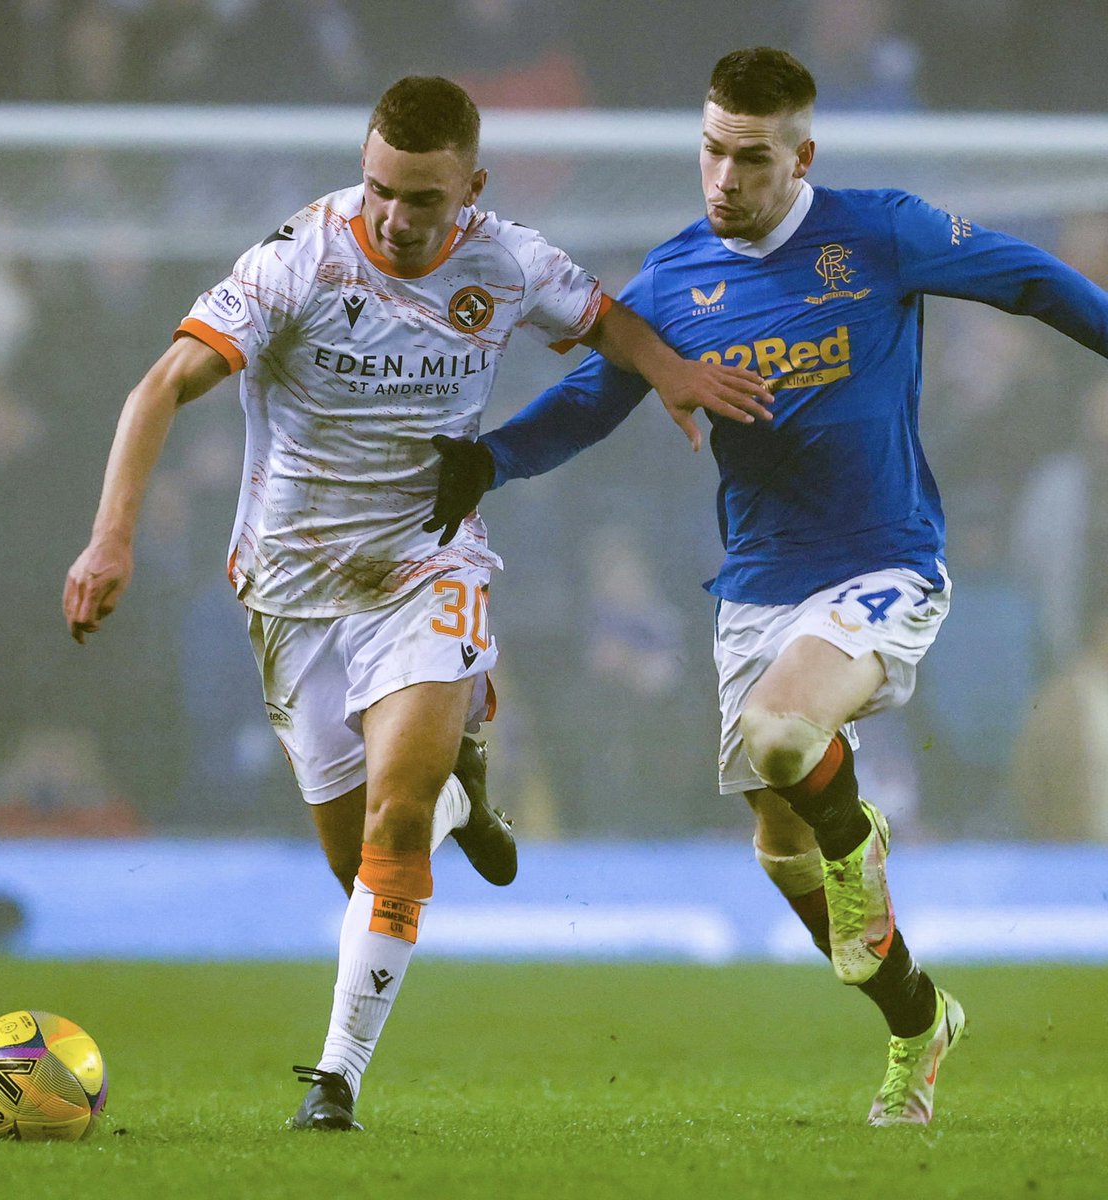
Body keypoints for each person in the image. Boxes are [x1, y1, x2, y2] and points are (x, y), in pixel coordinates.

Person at [63, 75, 769, 1132]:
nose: (395, 215)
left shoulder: (505, 260)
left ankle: (336, 1080)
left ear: (470, 190)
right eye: (381, 188)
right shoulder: (298, 261)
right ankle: (455, 796)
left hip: (426, 563)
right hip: (294, 592)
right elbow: (160, 385)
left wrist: (668, 369)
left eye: (424, 198)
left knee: (393, 824)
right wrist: (110, 538)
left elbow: (606, 320)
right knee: (362, 867)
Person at [426, 47, 1108, 1126]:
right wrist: (489, 461)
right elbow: (590, 401)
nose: (724, 178)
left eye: (751, 158)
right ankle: (918, 1021)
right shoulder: (672, 281)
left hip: (882, 562)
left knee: (786, 735)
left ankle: (860, 835)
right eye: (711, 151)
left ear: (803, 158)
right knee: (781, 847)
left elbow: (1030, 279)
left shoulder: (879, 232)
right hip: (756, 590)